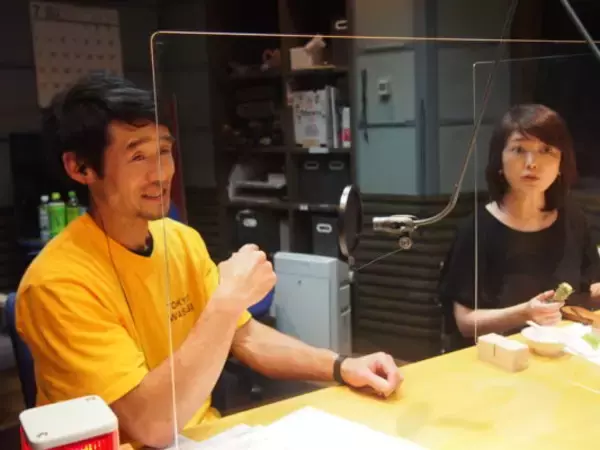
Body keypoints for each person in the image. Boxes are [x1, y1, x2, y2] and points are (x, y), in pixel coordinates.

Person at [15, 73, 402, 448]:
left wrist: (340, 365)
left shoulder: (180, 240)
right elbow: (150, 425)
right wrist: (228, 298)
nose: (161, 173)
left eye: (163, 151)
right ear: (80, 168)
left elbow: (244, 337)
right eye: (138, 156)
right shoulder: (57, 284)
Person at [439, 104, 600, 346]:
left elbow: (588, 289)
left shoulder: (573, 219)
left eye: (546, 150)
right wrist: (525, 313)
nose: (532, 162)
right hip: (496, 358)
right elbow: (465, 323)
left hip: (563, 352)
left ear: (561, 163)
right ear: (499, 160)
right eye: (518, 150)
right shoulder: (475, 229)